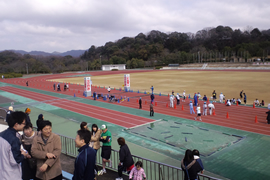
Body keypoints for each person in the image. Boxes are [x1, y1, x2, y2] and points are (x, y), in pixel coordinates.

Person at [0, 111, 29, 180]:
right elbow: (15, 161)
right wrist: (23, 155)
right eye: (23, 123)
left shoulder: (2, 134)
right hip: (11, 175)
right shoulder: (14, 139)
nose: (24, 125)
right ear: (16, 124)